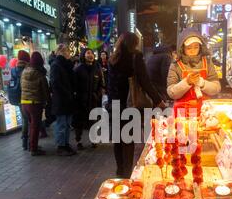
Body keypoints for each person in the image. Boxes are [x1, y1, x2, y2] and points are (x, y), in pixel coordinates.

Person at [108, 32, 165, 178]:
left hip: (115, 105)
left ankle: (119, 171)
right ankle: (127, 175)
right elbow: (145, 81)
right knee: (128, 141)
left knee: (117, 140)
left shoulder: (113, 59)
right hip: (130, 105)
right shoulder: (136, 57)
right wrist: (158, 100)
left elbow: (110, 84)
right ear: (134, 43)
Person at [167, 28, 221, 117]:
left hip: (205, 112)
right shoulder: (175, 65)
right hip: (182, 113)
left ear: (200, 47)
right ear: (182, 48)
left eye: (196, 47)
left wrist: (202, 83)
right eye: (189, 48)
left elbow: (217, 88)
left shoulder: (207, 62)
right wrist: (186, 82)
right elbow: (171, 92)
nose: (193, 50)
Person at [73, 48, 105, 150]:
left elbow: (102, 84)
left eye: (91, 53)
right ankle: (79, 141)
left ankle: (93, 140)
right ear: (83, 55)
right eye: (88, 53)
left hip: (93, 100)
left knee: (93, 121)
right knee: (80, 122)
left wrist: (98, 94)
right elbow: (74, 85)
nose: (90, 55)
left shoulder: (97, 68)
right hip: (80, 100)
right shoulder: (78, 69)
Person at [20, 52, 50, 156]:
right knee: (35, 127)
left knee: (30, 125)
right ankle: (34, 148)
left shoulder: (24, 71)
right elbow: (45, 89)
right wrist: (48, 101)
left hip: (24, 103)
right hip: (35, 103)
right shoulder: (39, 73)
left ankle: (31, 145)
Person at [50, 44, 77, 156]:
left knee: (67, 124)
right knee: (61, 124)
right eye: (66, 51)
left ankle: (65, 144)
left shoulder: (67, 65)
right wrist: (67, 93)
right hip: (61, 100)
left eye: (68, 51)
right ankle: (61, 146)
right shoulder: (56, 65)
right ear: (60, 52)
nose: (68, 53)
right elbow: (55, 83)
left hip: (68, 99)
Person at [10, 50, 31, 150]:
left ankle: (25, 140)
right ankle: (25, 142)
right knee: (27, 120)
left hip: (16, 97)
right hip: (26, 98)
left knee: (25, 119)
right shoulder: (27, 70)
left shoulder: (13, 70)